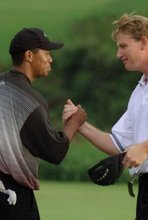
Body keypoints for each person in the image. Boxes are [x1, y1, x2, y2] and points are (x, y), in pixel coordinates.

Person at [63, 13, 148, 220]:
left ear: (143, 42)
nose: (118, 54)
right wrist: (80, 125)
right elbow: (118, 143)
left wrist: (146, 147)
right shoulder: (141, 89)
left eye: (123, 46)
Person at [0, 27, 87, 220]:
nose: (50, 59)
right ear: (29, 55)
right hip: (11, 196)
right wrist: (74, 122)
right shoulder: (28, 99)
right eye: (47, 53)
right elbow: (54, 152)